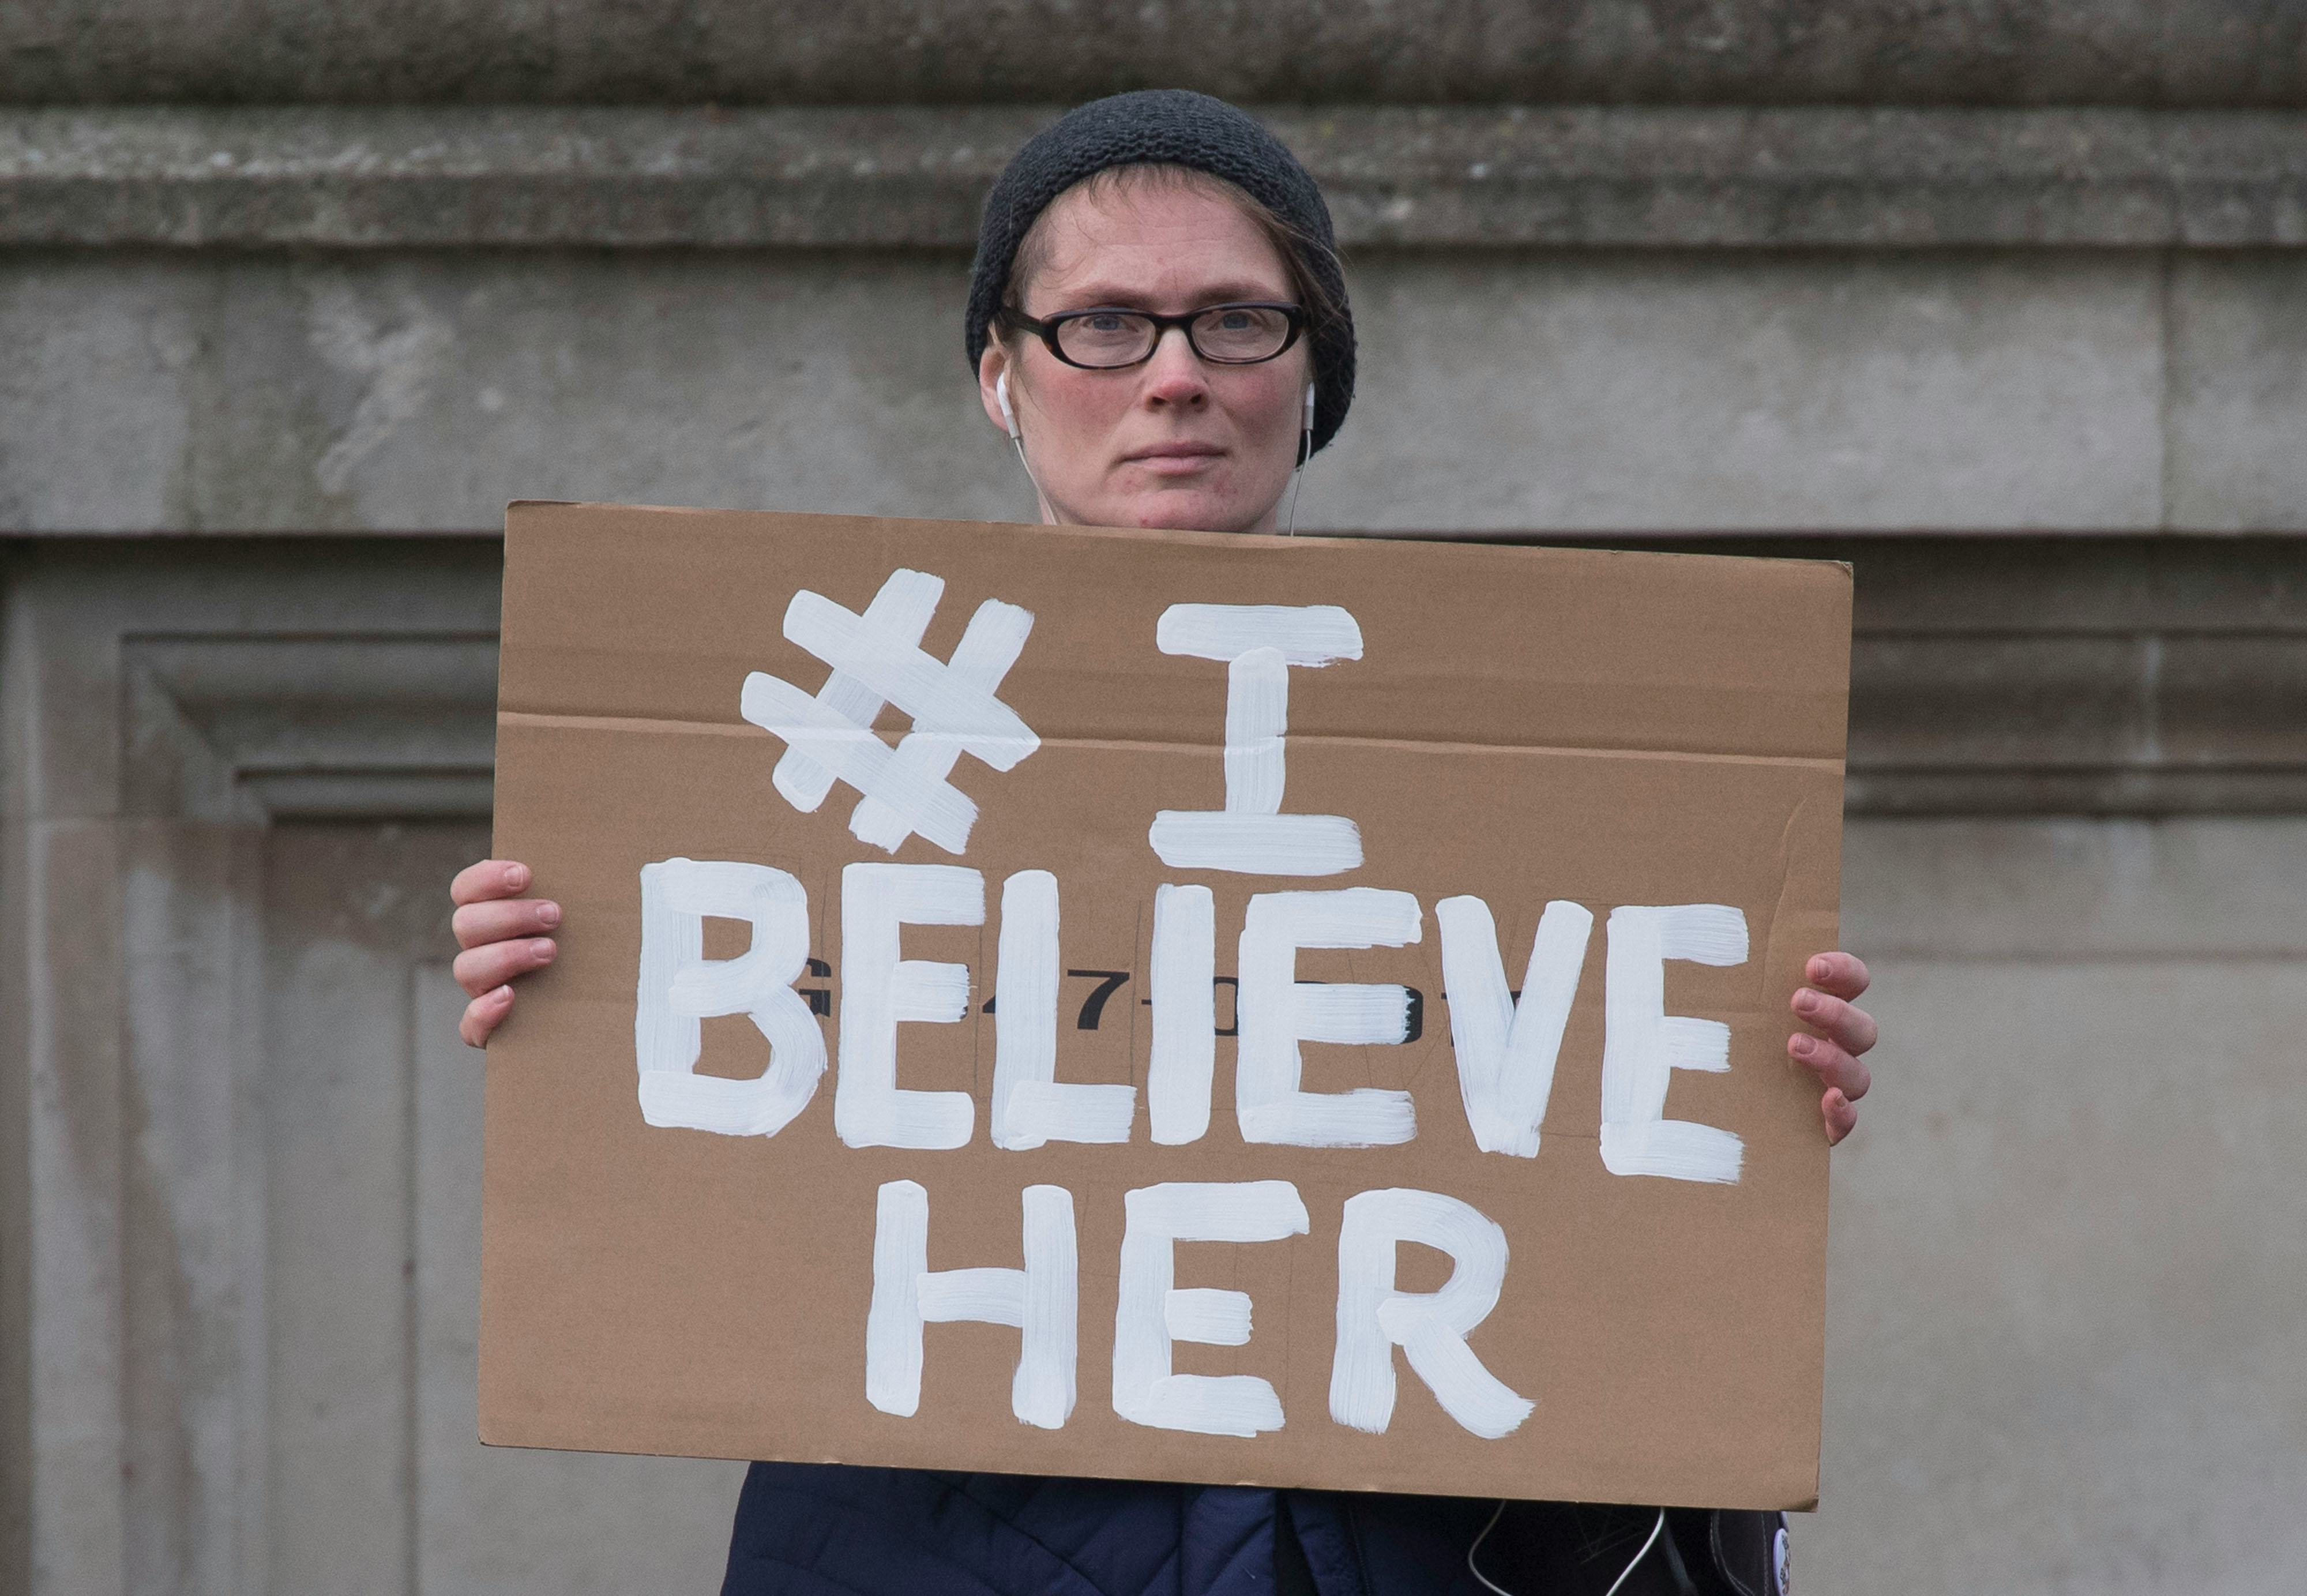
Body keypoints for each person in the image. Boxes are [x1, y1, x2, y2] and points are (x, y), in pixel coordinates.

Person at [450, 91, 1874, 1596]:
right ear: (1002, 375)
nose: (1176, 376)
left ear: (1312, 375)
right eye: (1106, 325)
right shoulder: (797, 767)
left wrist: (1755, 1074)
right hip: (928, 1535)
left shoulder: (1553, 776)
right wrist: (572, 974)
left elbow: (1604, 1166)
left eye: (1238, 323)